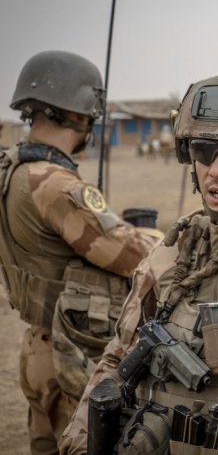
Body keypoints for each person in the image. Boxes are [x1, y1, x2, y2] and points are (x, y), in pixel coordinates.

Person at [60, 69, 218, 454]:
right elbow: (118, 355)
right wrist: (80, 440)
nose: (216, 169)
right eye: (201, 150)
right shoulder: (175, 248)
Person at [0, 50, 160, 455]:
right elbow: (129, 255)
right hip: (68, 351)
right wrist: (158, 237)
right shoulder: (55, 184)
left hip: (37, 345)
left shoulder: (12, 169)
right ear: (79, 114)